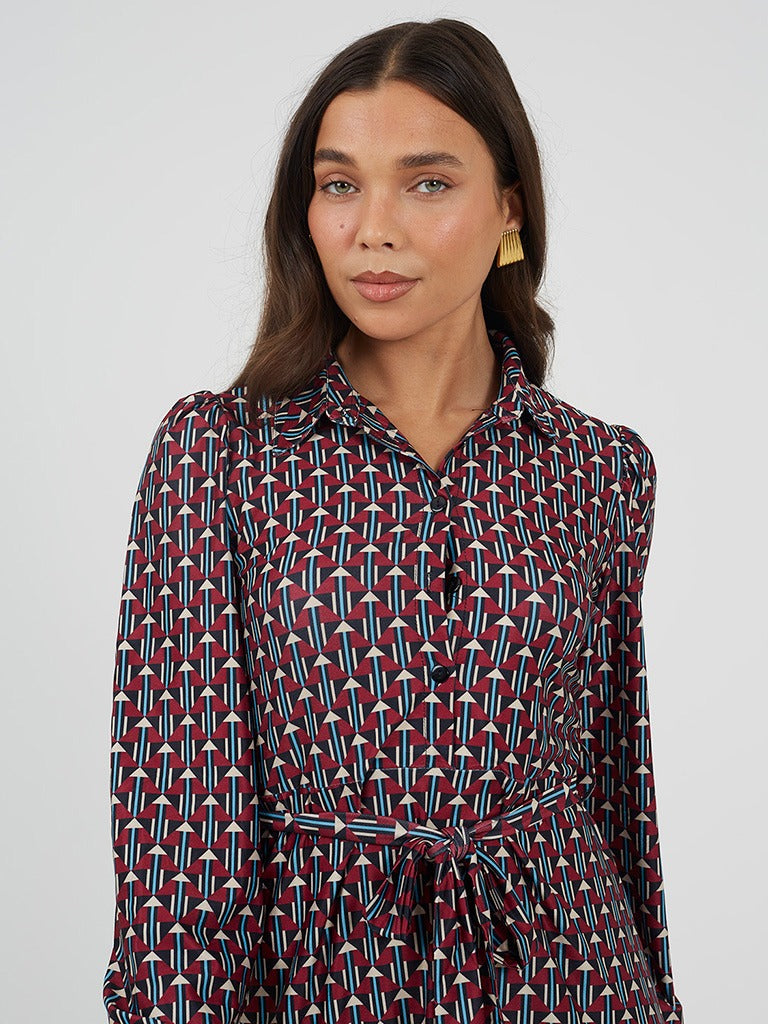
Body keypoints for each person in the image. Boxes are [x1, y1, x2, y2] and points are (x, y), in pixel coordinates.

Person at [102, 18, 685, 1024]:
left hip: (573, 981)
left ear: (509, 206)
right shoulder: (219, 455)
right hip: (327, 980)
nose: (373, 228)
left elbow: (614, 789)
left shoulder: (600, 468)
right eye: (340, 184)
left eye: (427, 183)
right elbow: (179, 815)